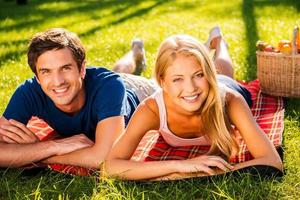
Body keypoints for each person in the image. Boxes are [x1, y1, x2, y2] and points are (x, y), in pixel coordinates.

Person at [104, 27, 283, 180]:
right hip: (175, 94)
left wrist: (203, 174)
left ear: (208, 75)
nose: (190, 88)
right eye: (177, 79)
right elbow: (111, 166)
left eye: (199, 75)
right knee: (120, 76)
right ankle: (136, 51)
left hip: (222, 85)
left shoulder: (230, 100)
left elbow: (272, 161)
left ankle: (219, 43)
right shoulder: (152, 109)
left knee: (226, 76)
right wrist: (180, 166)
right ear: (162, 82)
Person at [0, 28, 157, 169]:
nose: (57, 81)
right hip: (103, 83)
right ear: (37, 77)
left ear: (82, 69)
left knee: (157, 82)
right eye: (46, 71)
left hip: (139, 90)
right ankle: (135, 52)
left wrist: (38, 151)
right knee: (117, 70)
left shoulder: (109, 86)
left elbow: (103, 158)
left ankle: (137, 55)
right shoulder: (29, 92)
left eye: (66, 68)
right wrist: (51, 146)